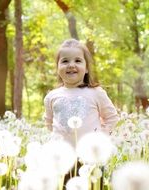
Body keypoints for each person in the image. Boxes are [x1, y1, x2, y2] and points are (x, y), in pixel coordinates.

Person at [44, 38, 119, 189]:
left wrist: (99, 138)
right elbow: (49, 123)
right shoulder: (51, 96)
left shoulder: (96, 93)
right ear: (57, 68)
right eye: (65, 61)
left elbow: (112, 118)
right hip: (62, 157)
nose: (71, 65)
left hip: (91, 157)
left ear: (86, 68)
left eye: (78, 60)